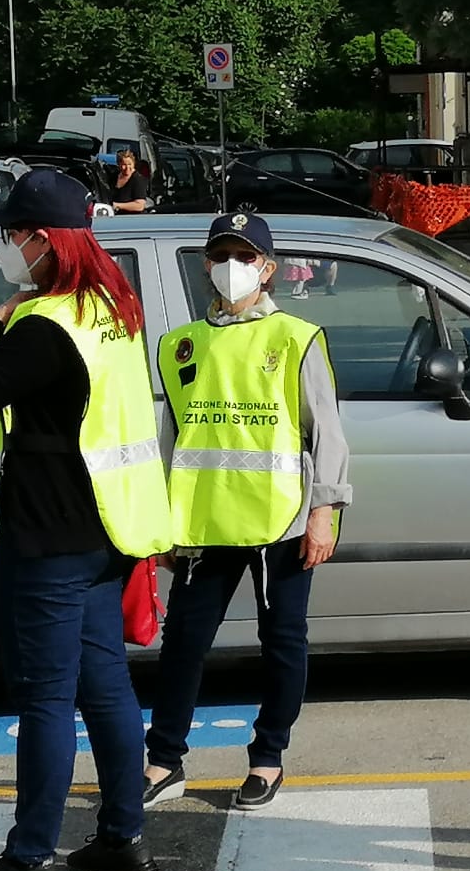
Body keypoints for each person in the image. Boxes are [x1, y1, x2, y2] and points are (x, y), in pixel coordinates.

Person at [0, 168, 173, 871]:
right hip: (106, 527)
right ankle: (122, 837)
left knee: (45, 699)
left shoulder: (42, 326)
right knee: (105, 688)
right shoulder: (111, 308)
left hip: (46, 536)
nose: (5, 245)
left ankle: (30, 858)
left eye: (11, 234)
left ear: (42, 239)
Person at [143, 211, 351, 811]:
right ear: (205, 265)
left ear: (268, 269)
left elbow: (326, 431)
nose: (231, 266)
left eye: (244, 256)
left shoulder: (295, 338)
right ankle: (164, 760)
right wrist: (160, 523)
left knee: (282, 642)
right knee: (184, 643)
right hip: (203, 520)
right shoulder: (181, 344)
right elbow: (172, 438)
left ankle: (267, 757)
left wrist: (324, 510)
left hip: (280, 520)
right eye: (221, 255)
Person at [106, 148, 151, 214]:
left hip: (130, 217)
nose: (127, 168)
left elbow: (140, 205)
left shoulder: (138, 180)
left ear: (134, 164)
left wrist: (116, 205)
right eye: (124, 164)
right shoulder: (114, 177)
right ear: (119, 164)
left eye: (130, 164)